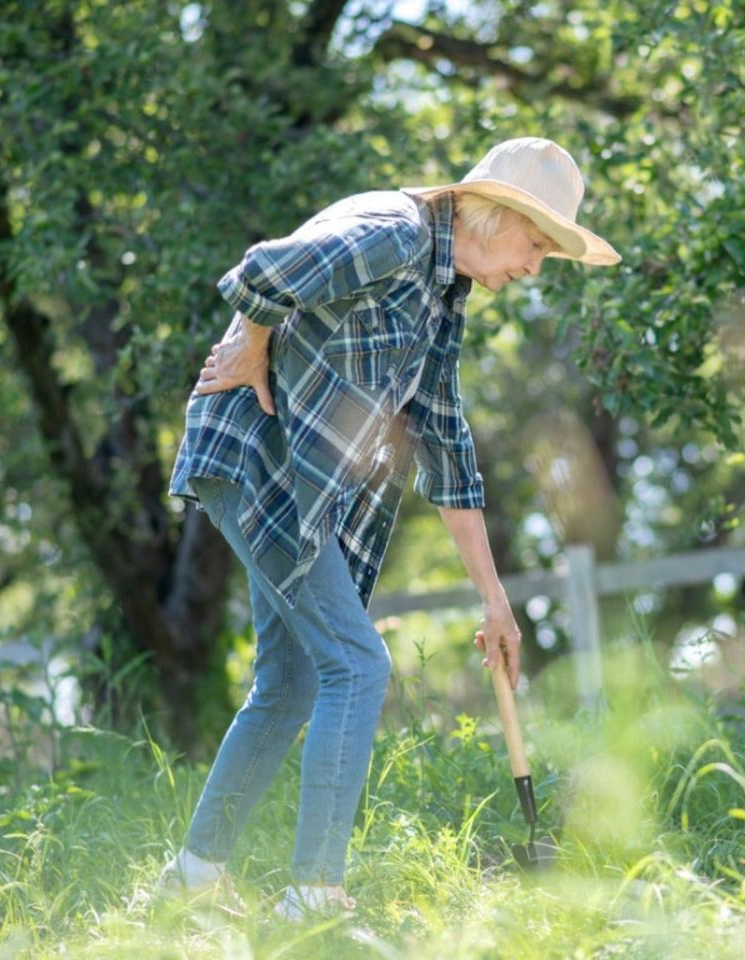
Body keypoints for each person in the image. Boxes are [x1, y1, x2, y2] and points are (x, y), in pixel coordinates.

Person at [161, 137, 619, 917]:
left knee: (295, 680)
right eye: (537, 243)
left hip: (295, 488)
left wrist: (493, 600)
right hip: (256, 462)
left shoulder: (445, 300)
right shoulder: (396, 232)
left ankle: (192, 883)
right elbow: (268, 269)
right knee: (358, 665)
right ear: (494, 212)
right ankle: (312, 900)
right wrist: (252, 342)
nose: (536, 266)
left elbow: (444, 441)